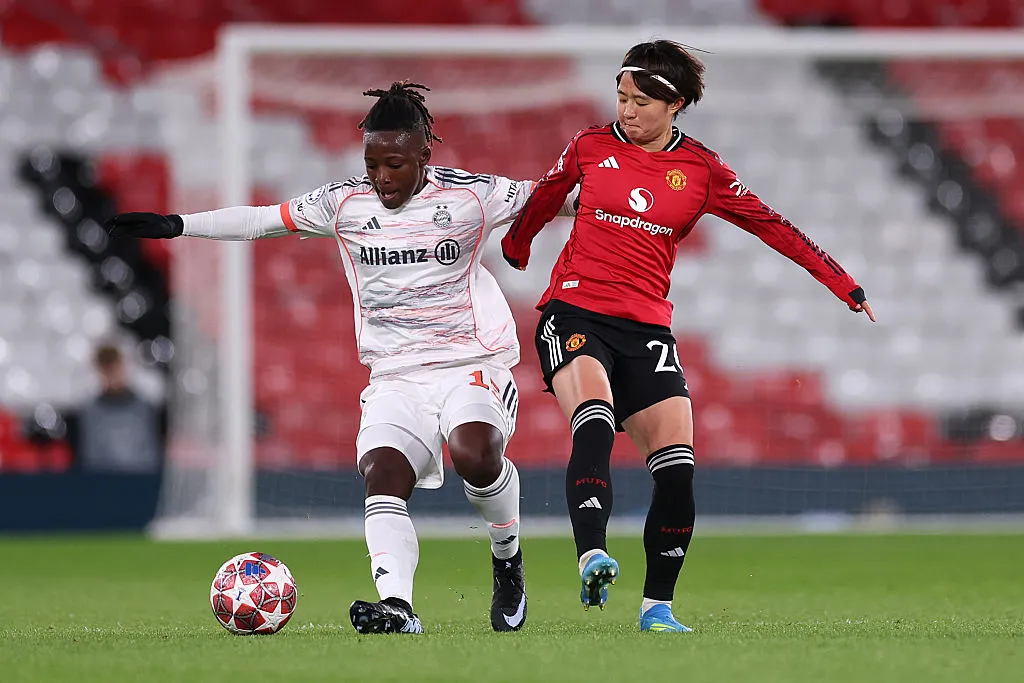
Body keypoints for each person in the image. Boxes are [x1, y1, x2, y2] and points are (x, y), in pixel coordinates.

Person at [107, 82, 574, 635]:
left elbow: (559, 197)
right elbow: (261, 220)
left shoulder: (472, 196)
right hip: (394, 373)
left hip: (470, 359)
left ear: (426, 154)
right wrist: (178, 224)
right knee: (382, 475)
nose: (381, 177)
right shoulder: (345, 202)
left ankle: (507, 557)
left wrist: (631, 181)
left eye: (395, 164)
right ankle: (399, 607)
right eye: (372, 163)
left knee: (475, 453)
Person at [501, 40, 876, 633]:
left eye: (640, 102)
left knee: (676, 468)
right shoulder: (590, 146)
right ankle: (592, 553)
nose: (626, 111)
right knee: (593, 415)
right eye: (621, 97)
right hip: (574, 312)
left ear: (674, 104)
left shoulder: (701, 171)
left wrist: (843, 284)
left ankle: (657, 607)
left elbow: (772, 226)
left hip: (648, 325)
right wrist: (516, 248)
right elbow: (544, 199)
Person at [71, 343, 163, 473]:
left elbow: (150, 457)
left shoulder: (145, 408)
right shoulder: (89, 412)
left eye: (114, 366)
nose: (111, 374)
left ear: (123, 366)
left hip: (141, 485)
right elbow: (90, 458)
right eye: (106, 368)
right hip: (102, 486)